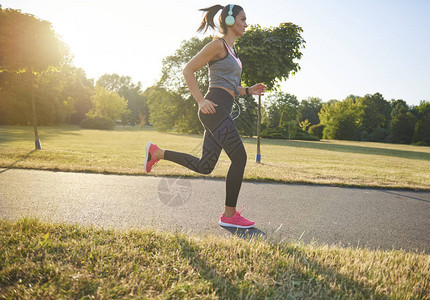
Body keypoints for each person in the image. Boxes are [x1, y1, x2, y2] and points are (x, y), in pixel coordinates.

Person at [144, 4, 266, 229]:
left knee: (205, 165)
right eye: (242, 19)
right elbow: (188, 69)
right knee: (239, 158)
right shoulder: (217, 45)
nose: (246, 24)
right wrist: (200, 100)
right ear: (229, 22)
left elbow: (231, 86)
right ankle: (229, 215)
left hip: (222, 109)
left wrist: (250, 90)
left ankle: (157, 153)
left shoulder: (233, 51)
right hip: (214, 109)